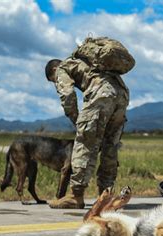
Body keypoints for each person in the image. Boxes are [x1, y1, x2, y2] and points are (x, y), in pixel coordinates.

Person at [45, 56, 129, 209]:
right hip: (121, 94)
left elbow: (68, 95)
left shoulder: (62, 68)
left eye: (53, 81)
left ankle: (75, 196)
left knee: (84, 144)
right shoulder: (89, 63)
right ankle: (106, 197)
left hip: (101, 93)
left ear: (53, 70)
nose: (55, 82)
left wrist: (77, 120)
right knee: (110, 147)